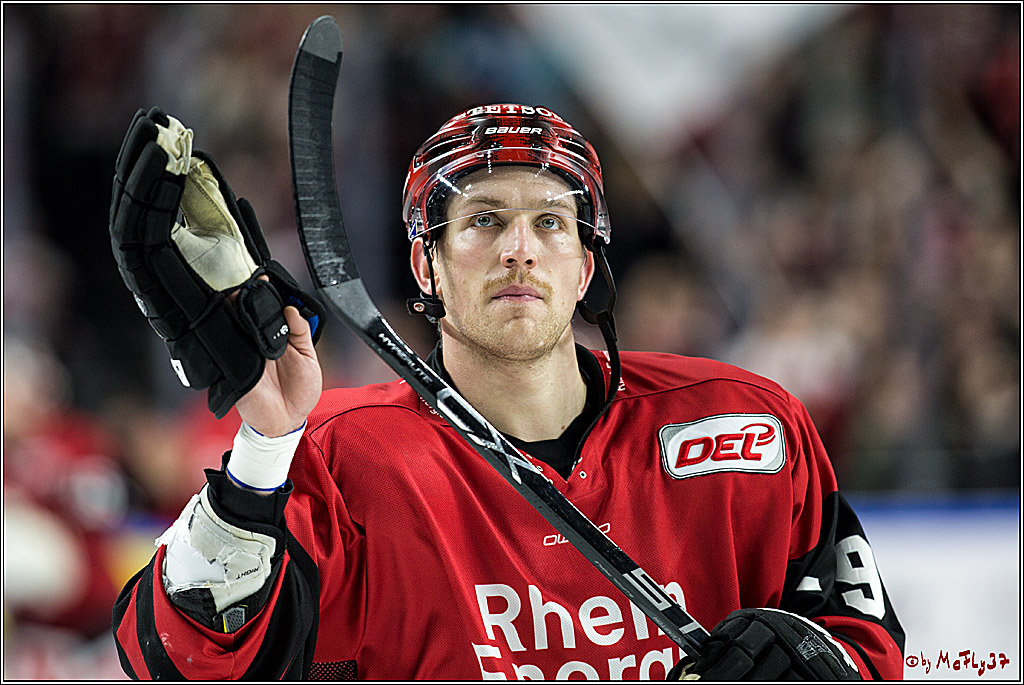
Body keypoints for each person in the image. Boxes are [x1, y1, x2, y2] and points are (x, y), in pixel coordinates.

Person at [110, 103, 904, 680]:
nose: (519, 251)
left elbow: (869, 645)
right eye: (483, 220)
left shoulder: (749, 424)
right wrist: (264, 443)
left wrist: (817, 660)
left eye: (552, 223)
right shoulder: (337, 458)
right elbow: (171, 661)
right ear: (428, 266)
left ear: (587, 266)